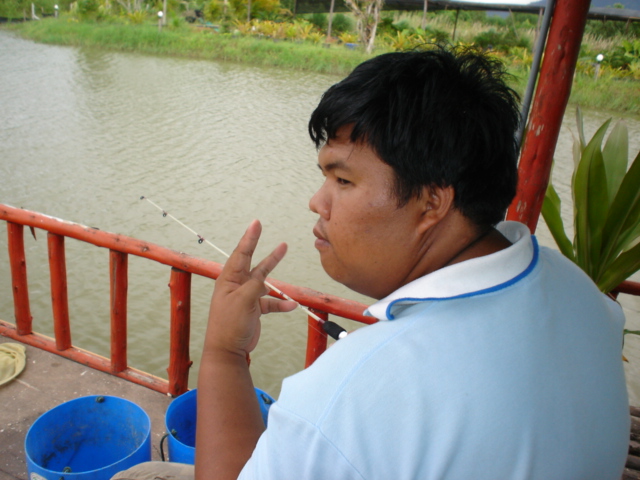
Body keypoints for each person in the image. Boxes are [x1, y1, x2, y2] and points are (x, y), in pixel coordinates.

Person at [114, 46, 630, 480]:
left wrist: (225, 351)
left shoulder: (349, 400)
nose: (317, 202)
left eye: (342, 180)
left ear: (433, 203)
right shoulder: (581, 292)